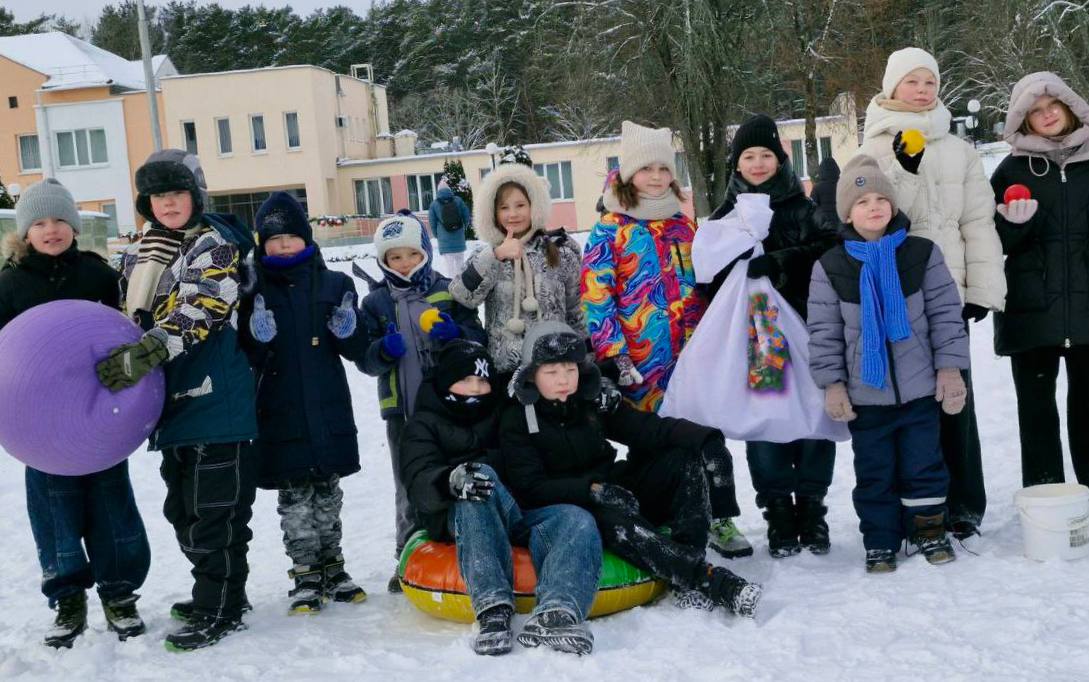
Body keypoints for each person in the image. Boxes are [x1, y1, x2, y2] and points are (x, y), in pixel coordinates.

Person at [96, 149, 258, 651]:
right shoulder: (141, 254)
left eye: (177, 193)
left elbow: (201, 309)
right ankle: (221, 591)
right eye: (157, 195)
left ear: (196, 196)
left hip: (217, 400)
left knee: (215, 514)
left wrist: (144, 354)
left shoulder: (214, 245)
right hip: (170, 404)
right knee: (181, 511)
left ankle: (219, 606)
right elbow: (121, 314)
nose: (167, 203)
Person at [502, 321, 762, 617]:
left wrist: (707, 440)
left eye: (570, 369)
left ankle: (687, 561)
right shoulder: (516, 418)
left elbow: (647, 429)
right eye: (551, 372)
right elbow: (529, 486)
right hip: (571, 506)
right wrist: (592, 491)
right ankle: (711, 581)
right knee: (617, 523)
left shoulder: (592, 401)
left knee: (683, 459)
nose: (563, 380)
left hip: (611, 484)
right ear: (531, 375)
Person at [856, 47, 1005, 539]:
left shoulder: (960, 150)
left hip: (948, 295)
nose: (922, 91)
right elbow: (869, 220)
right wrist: (903, 168)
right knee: (907, 405)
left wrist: (981, 288)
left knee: (955, 399)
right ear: (892, 86)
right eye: (912, 82)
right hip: (895, 295)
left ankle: (963, 504)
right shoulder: (870, 149)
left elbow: (977, 222)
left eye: (930, 83)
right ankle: (914, 507)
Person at [582, 120, 749, 559]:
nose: (656, 177)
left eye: (663, 168)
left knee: (704, 434)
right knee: (655, 441)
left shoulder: (683, 226)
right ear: (628, 174)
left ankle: (720, 516)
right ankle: (664, 512)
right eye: (646, 169)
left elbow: (703, 285)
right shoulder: (610, 229)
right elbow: (598, 298)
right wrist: (615, 355)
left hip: (690, 357)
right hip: (641, 364)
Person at [0, 179, 151, 648]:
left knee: (111, 503)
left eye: (61, 220)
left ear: (74, 226)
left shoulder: (98, 276)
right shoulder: (8, 283)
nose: (52, 230)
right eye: (40, 223)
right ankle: (67, 597)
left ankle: (119, 593)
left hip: (98, 416)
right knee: (54, 509)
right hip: (40, 427)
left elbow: (123, 334)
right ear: (25, 232)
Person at [807, 155, 970, 573]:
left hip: (920, 391)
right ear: (847, 213)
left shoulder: (921, 253)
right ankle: (880, 541)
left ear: (894, 205)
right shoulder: (831, 267)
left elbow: (946, 316)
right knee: (874, 473)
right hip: (866, 396)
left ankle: (928, 530)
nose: (874, 207)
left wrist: (950, 370)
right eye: (862, 202)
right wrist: (833, 385)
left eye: (881, 199)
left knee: (924, 465)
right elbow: (824, 332)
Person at [400, 339, 601, 655]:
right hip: (461, 516)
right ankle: (493, 610)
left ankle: (557, 613)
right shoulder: (422, 425)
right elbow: (418, 481)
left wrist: (601, 388)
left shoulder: (502, 408)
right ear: (446, 381)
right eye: (466, 379)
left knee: (576, 518)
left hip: (515, 508)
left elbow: (552, 390)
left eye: (482, 381)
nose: (476, 389)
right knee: (478, 476)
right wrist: (449, 481)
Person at [705, 114, 840, 558]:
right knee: (767, 419)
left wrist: (781, 262)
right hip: (760, 331)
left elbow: (829, 249)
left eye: (767, 155)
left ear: (780, 160)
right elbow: (707, 278)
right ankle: (778, 510)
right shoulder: (725, 215)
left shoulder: (802, 207)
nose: (759, 163)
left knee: (816, 415)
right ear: (736, 163)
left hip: (808, 325)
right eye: (749, 156)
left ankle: (812, 507)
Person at [239, 191, 369, 613]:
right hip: (280, 411)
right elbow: (247, 356)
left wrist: (349, 329)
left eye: (290, 237)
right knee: (295, 499)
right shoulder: (253, 289)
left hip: (327, 406)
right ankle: (306, 573)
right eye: (274, 240)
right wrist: (256, 337)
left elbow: (356, 348)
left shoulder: (335, 285)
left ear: (306, 238)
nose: (283, 246)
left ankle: (334, 567)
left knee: (328, 495)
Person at [358, 210, 485, 593]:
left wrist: (456, 332)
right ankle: (409, 555)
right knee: (408, 482)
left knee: (456, 474)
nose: (404, 262)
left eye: (411, 254)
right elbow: (365, 359)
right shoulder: (376, 303)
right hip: (403, 412)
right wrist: (382, 350)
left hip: (450, 407)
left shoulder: (447, 290)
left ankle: (464, 546)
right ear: (383, 260)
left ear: (425, 252)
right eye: (394, 257)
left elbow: (478, 337)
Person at [990, 72, 1089, 487]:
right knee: (1036, 414)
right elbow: (990, 242)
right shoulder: (1011, 170)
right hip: (1030, 311)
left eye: (1053, 106)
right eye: (1035, 111)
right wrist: (1013, 226)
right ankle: (1046, 498)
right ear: (1023, 120)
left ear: (1069, 107)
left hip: (1086, 311)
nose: (1047, 115)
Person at [449, 157, 586, 378]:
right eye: (504, 207)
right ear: (493, 213)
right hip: (506, 371)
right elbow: (462, 294)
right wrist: (496, 255)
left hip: (555, 370)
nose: (512, 214)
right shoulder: (487, 256)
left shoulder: (561, 253)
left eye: (520, 205)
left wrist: (586, 360)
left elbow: (577, 311)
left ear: (534, 206)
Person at [428, 179, 471, 277]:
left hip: (445, 241)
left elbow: (432, 222)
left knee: (450, 268)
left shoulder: (434, 204)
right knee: (460, 265)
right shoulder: (458, 200)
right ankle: (461, 283)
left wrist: (437, 235)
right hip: (459, 238)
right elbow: (466, 215)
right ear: (449, 190)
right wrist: (464, 227)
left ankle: (452, 283)